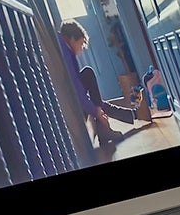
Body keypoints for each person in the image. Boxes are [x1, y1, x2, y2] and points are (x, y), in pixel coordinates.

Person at [57, 21, 141, 149]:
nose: (80, 50)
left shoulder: (61, 45)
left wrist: (95, 108)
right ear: (73, 39)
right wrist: (95, 111)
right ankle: (127, 119)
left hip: (70, 95)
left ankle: (130, 117)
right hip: (69, 98)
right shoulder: (65, 51)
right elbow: (76, 88)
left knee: (96, 100)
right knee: (90, 79)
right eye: (80, 44)